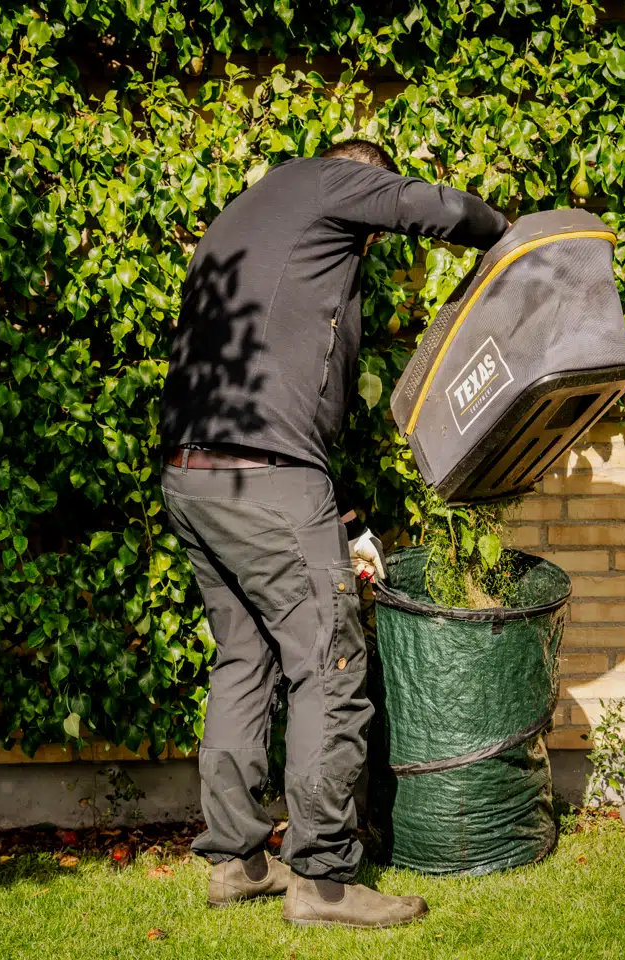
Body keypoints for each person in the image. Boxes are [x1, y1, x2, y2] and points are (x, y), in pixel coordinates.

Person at [158, 140, 509, 928]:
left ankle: (236, 860)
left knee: (243, 660)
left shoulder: (242, 223)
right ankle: (323, 878)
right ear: (360, 177)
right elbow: (438, 207)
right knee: (330, 662)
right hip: (267, 475)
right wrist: (512, 236)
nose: (372, 240)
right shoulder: (328, 181)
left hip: (193, 473)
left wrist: (340, 510)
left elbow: (299, 391)